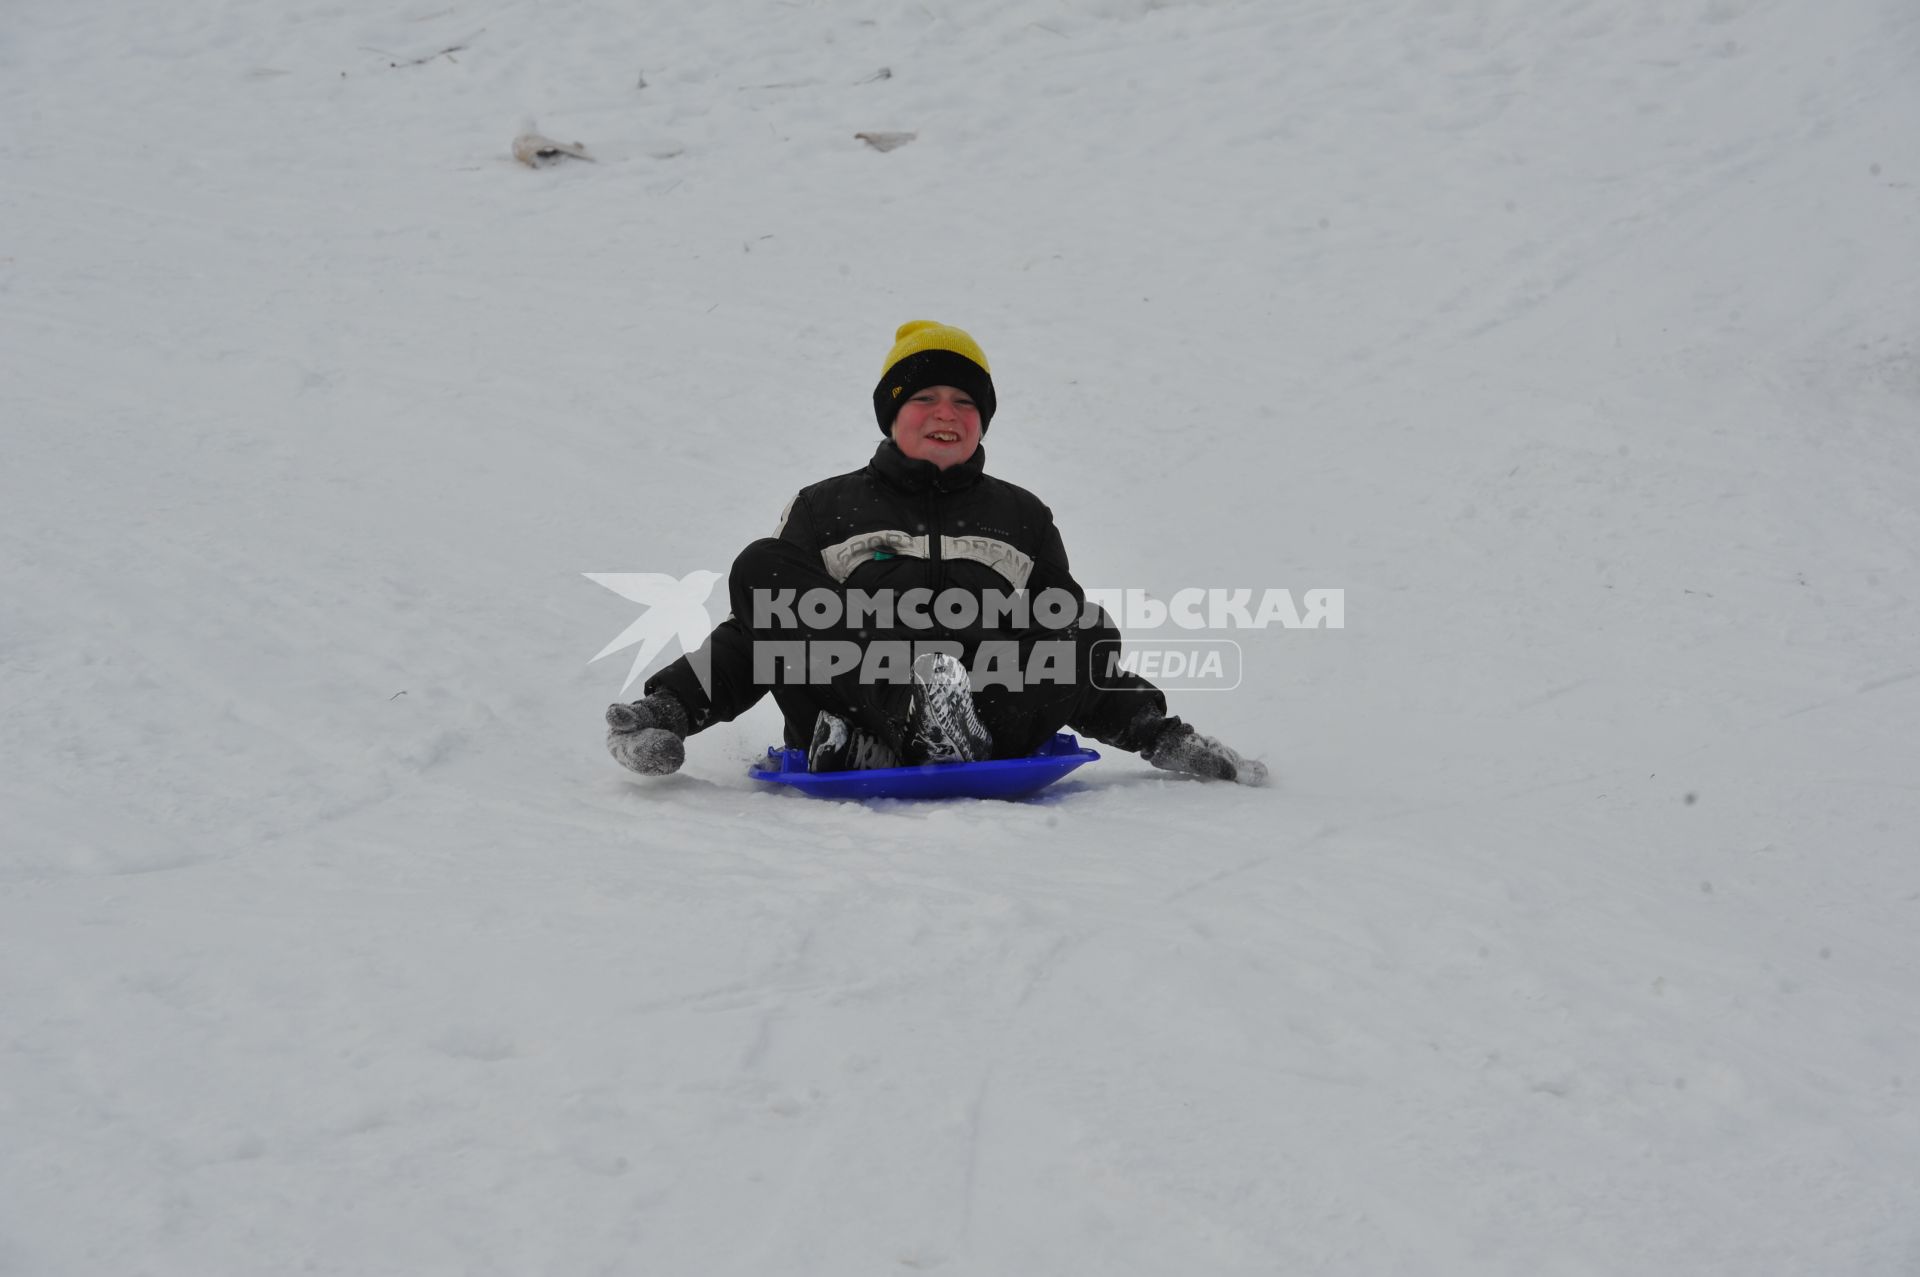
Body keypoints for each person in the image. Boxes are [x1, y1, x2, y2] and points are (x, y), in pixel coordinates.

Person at [605, 321, 1267, 786]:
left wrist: (1162, 733)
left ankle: (943, 726)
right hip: (854, 705)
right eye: (922, 397)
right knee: (763, 570)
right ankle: (898, 726)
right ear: (891, 415)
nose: (943, 411)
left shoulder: (1021, 515)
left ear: (983, 419)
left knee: (1085, 621)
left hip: (991, 718)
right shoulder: (824, 508)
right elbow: (764, 631)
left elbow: (1069, 649)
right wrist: (667, 709)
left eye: (963, 400)